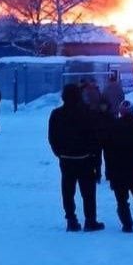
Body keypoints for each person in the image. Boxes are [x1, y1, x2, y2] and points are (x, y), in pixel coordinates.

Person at [48, 83, 104, 232]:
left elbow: (52, 137)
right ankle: (90, 220)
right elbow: (95, 139)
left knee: (67, 191)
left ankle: (71, 220)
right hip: (85, 159)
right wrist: (97, 161)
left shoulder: (56, 114)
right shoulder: (88, 113)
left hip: (66, 159)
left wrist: (59, 153)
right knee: (88, 193)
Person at [104, 100, 133, 233]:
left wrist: (108, 170)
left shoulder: (113, 128)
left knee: (121, 200)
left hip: (117, 170)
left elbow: (107, 150)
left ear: (120, 112)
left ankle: (127, 225)